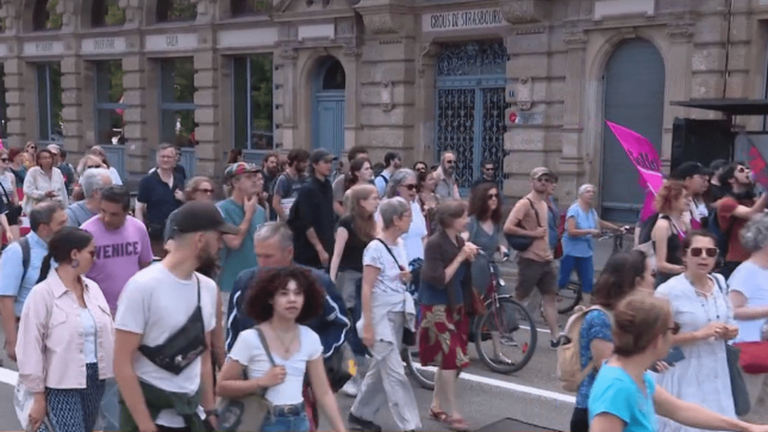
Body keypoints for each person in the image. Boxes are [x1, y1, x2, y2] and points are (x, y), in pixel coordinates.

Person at [114, 201, 238, 432]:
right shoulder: (142, 286)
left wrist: (209, 409)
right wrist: (145, 425)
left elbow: (202, 355)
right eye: (218, 236)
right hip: (152, 417)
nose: (221, 245)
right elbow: (122, 363)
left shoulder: (208, 289)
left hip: (192, 416)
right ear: (200, 239)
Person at [588, 294, 768, 432]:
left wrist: (746, 428)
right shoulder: (616, 388)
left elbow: (679, 410)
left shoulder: (635, 375)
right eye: (672, 329)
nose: (673, 336)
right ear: (657, 340)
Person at [217, 267, 347, 432]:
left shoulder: (310, 338)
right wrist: (260, 383)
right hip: (264, 420)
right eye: (284, 294)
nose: (292, 299)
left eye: (298, 293)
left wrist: (341, 429)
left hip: (300, 421)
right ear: (270, 299)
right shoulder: (250, 338)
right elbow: (222, 386)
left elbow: (323, 392)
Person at [16, 227, 115, 432]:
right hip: (61, 383)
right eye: (91, 252)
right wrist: (38, 396)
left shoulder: (93, 289)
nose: (95, 259)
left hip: (96, 378)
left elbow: (109, 332)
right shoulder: (42, 295)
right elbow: (29, 347)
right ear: (74, 254)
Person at [654, 230, 739, 432]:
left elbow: (730, 321)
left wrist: (730, 332)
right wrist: (698, 335)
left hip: (716, 374)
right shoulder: (668, 291)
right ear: (684, 256)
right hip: (684, 374)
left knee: (719, 424)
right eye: (697, 251)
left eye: (710, 252)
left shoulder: (719, 282)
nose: (704, 257)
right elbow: (655, 340)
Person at [348, 197, 420, 432]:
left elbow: (388, 277)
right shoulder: (375, 248)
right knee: (395, 373)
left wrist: (404, 277)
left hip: (397, 310)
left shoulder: (399, 244)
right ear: (396, 219)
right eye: (408, 215)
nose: (411, 220)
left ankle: (360, 414)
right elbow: (367, 288)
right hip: (380, 314)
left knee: (381, 370)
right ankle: (411, 426)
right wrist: (367, 325)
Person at [569, 250, 655, 432]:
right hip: (596, 410)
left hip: (623, 405)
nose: (654, 280)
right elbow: (607, 366)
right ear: (637, 281)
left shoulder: (627, 315)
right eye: (651, 274)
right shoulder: (600, 318)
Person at [419, 200, 478, 431]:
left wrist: (468, 256)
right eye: (463, 216)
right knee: (452, 357)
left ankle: (436, 405)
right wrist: (462, 257)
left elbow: (461, 275)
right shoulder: (434, 244)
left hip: (455, 305)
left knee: (453, 361)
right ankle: (455, 414)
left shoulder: (459, 240)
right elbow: (439, 278)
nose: (467, 220)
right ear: (451, 220)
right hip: (436, 306)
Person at [0, 202, 67, 363]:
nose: (66, 227)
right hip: (30, 332)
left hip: (61, 331)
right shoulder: (17, 252)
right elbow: (5, 300)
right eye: (61, 223)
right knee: (33, 385)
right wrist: (12, 340)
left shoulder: (62, 249)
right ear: (44, 228)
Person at [503, 167, 560, 346]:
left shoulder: (545, 204)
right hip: (530, 259)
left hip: (546, 259)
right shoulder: (524, 203)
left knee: (550, 297)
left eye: (546, 180)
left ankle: (556, 337)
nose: (543, 183)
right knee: (520, 296)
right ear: (532, 182)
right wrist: (532, 234)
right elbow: (508, 227)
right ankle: (505, 332)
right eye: (540, 179)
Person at [81, 186, 154, 315]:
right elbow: (78, 272)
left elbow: (145, 265)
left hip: (133, 306)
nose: (107, 218)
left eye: (114, 214)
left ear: (126, 212)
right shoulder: (86, 232)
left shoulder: (138, 228)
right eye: (103, 211)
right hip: (98, 307)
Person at [728, 213, 768, 423]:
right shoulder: (747, 272)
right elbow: (733, 309)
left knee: (763, 410)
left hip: (762, 348)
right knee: (749, 410)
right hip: (748, 348)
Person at [465, 183, 510, 361]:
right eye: (490, 197)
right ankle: (463, 346)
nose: (494, 200)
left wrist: (501, 247)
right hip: (476, 267)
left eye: (496, 196)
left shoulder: (496, 221)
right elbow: (464, 240)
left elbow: (499, 240)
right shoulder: (473, 222)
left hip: (491, 268)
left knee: (495, 307)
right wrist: (470, 246)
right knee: (474, 306)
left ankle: (497, 352)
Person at [559, 184, 624, 305]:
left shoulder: (591, 211)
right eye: (588, 192)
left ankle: (585, 308)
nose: (591, 194)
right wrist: (589, 231)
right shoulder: (574, 210)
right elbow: (571, 231)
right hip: (570, 250)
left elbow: (599, 222)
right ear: (581, 194)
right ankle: (547, 301)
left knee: (587, 282)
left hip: (586, 251)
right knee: (563, 280)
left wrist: (617, 229)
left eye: (592, 192)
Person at [217, 162, 266, 295]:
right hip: (230, 284)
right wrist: (248, 215)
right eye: (249, 177)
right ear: (235, 182)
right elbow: (234, 242)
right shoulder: (221, 209)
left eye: (256, 176)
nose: (256, 180)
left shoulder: (260, 210)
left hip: (256, 283)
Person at [716, 162, 768, 278]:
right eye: (741, 170)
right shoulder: (726, 203)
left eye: (747, 169)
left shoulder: (752, 200)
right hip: (737, 259)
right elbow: (752, 214)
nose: (747, 172)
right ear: (731, 179)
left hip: (757, 258)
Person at [288, 149, 336, 269]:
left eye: (330, 162)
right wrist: (319, 248)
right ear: (314, 164)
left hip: (327, 243)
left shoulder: (328, 186)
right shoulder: (308, 189)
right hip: (308, 250)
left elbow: (328, 216)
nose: (329, 166)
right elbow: (306, 223)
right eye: (325, 162)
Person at [135, 143, 184, 257]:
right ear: (157, 159)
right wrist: (142, 231)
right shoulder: (147, 181)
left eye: (169, 157)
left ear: (175, 160)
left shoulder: (179, 178)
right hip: (156, 235)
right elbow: (139, 208)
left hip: (176, 234)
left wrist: (184, 198)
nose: (165, 160)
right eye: (163, 157)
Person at [383, 169, 428, 265]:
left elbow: (424, 236)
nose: (414, 190)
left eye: (416, 187)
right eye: (410, 187)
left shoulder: (415, 206)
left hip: (419, 265)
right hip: (397, 266)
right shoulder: (385, 207)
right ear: (397, 187)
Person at [652, 180, 690, 285]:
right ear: (674, 199)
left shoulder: (684, 223)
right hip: (667, 281)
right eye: (685, 197)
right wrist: (684, 270)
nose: (690, 200)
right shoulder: (663, 225)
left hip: (683, 280)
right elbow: (661, 264)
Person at [163, 176, 217, 242]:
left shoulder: (214, 216)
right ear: (193, 194)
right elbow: (169, 241)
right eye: (204, 191)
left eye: (211, 191)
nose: (208, 194)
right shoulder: (178, 215)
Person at [23, 149, 69, 215]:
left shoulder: (57, 172)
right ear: (39, 160)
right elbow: (28, 190)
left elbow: (63, 192)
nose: (48, 160)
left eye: (49, 158)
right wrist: (44, 194)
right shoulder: (33, 172)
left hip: (55, 208)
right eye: (44, 158)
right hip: (37, 209)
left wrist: (66, 209)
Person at [669, 162, 710, 230]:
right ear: (688, 180)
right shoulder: (675, 203)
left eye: (707, 180)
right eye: (701, 178)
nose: (706, 183)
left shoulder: (696, 201)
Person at [272, 149, 309, 222]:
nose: (306, 165)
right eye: (304, 162)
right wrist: (287, 219)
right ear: (295, 162)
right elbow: (276, 204)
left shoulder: (304, 178)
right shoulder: (283, 179)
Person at [332, 147, 368, 217]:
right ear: (352, 162)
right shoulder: (341, 180)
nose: (365, 162)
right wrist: (347, 218)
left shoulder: (369, 181)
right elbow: (336, 204)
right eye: (361, 159)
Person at [0, 149, 21, 241]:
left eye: (8, 159)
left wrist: (17, 214)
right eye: (3, 160)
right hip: (0, 209)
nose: (7, 162)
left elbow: (15, 196)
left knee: (15, 242)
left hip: (9, 208)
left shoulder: (10, 176)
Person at [416, 170, 438, 234]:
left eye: (434, 179)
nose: (433, 182)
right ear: (422, 182)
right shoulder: (417, 198)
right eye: (430, 180)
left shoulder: (437, 197)